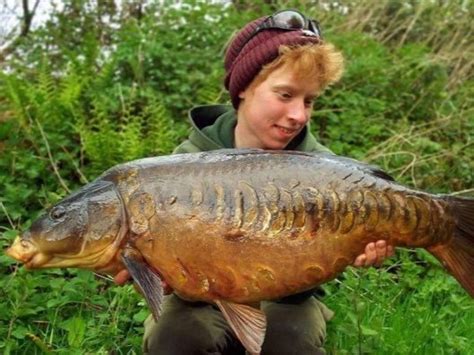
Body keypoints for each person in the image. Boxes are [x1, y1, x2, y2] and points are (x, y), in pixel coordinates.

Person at [115, 9, 394, 354]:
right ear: (244, 87)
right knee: (176, 336)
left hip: (288, 299)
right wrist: (155, 276)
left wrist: (357, 246)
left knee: (290, 340)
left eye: (309, 101)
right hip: (200, 301)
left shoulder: (325, 171)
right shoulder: (184, 164)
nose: (298, 116)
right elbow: (165, 277)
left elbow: (313, 267)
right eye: (285, 95)